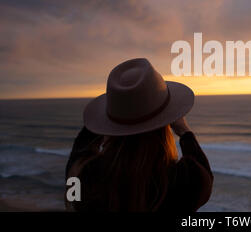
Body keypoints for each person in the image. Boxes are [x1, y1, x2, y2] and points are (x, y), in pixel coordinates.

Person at [65, 58, 213, 211]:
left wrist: (114, 111)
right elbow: (205, 176)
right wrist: (184, 132)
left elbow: (77, 157)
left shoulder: (85, 176)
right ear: (168, 121)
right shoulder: (183, 181)